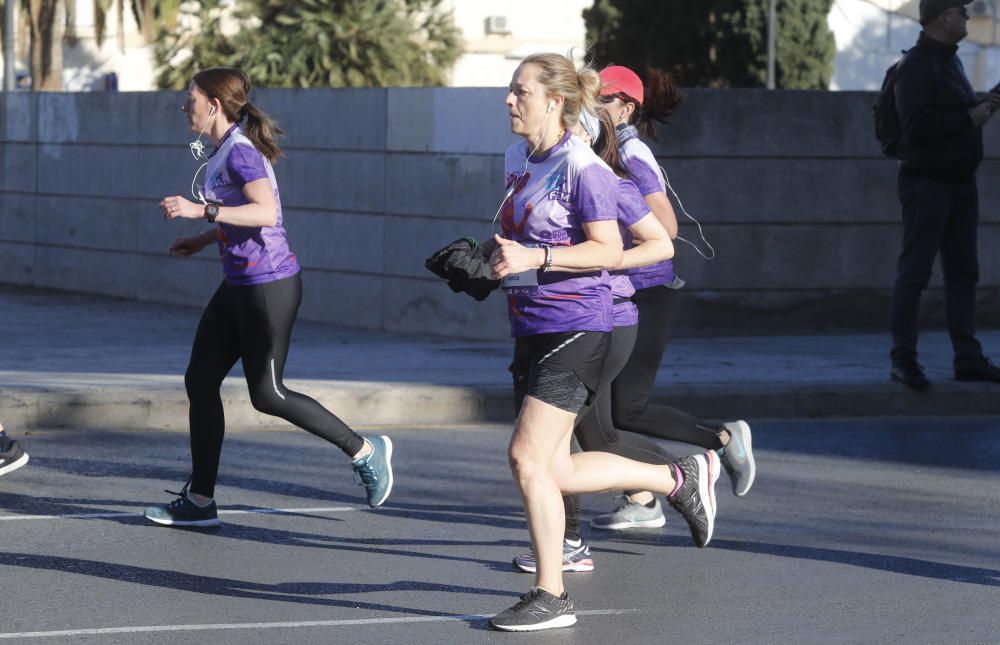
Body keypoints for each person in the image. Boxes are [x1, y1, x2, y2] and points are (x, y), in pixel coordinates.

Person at [487, 52, 719, 632]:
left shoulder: (583, 167)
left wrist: (538, 257)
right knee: (552, 468)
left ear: (554, 101)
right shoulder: (523, 160)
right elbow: (527, 237)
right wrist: (484, 259)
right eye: (510, 91)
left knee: (526, 457)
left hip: (582, 326)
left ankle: (552, 592)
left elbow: (619, 250)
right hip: (534, 321)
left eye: (520, 91)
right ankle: (675, 479)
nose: (509, 101)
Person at [144, 67, 392, 527]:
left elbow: (265, 211)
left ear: (214, 105)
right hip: (238, 285)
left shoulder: (241, 152)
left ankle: (363, 448)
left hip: (268, 286)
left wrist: (200, 208)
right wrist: (202, 238)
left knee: (268, 394)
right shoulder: (225, 149)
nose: (184, 107)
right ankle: (200, 500)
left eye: (191, 99)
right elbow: (241, 217)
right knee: (200, 381)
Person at [573, 65, 754, 532]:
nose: (593, 107)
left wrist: (607, 252)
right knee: (601, 421)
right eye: (589, 98)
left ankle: (711, 447)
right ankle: (647, 495)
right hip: (620, 291)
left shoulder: (632, 154)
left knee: (616, 415)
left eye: (604, 100)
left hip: (647, 290)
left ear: (628, 107)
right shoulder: (601, 148)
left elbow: (666, 228)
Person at [888, 0, 1000, 390]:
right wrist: (970, 117)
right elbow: (916, 128)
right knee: (915, 273)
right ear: (942, 18)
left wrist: (983, 104)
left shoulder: (949, 61)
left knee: (963, 274)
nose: (968, 15)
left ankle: (967, 358)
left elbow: (949, 115)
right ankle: (903, 360)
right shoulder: (918, 65)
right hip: (927, 184)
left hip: (958, 183)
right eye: (961, 10)